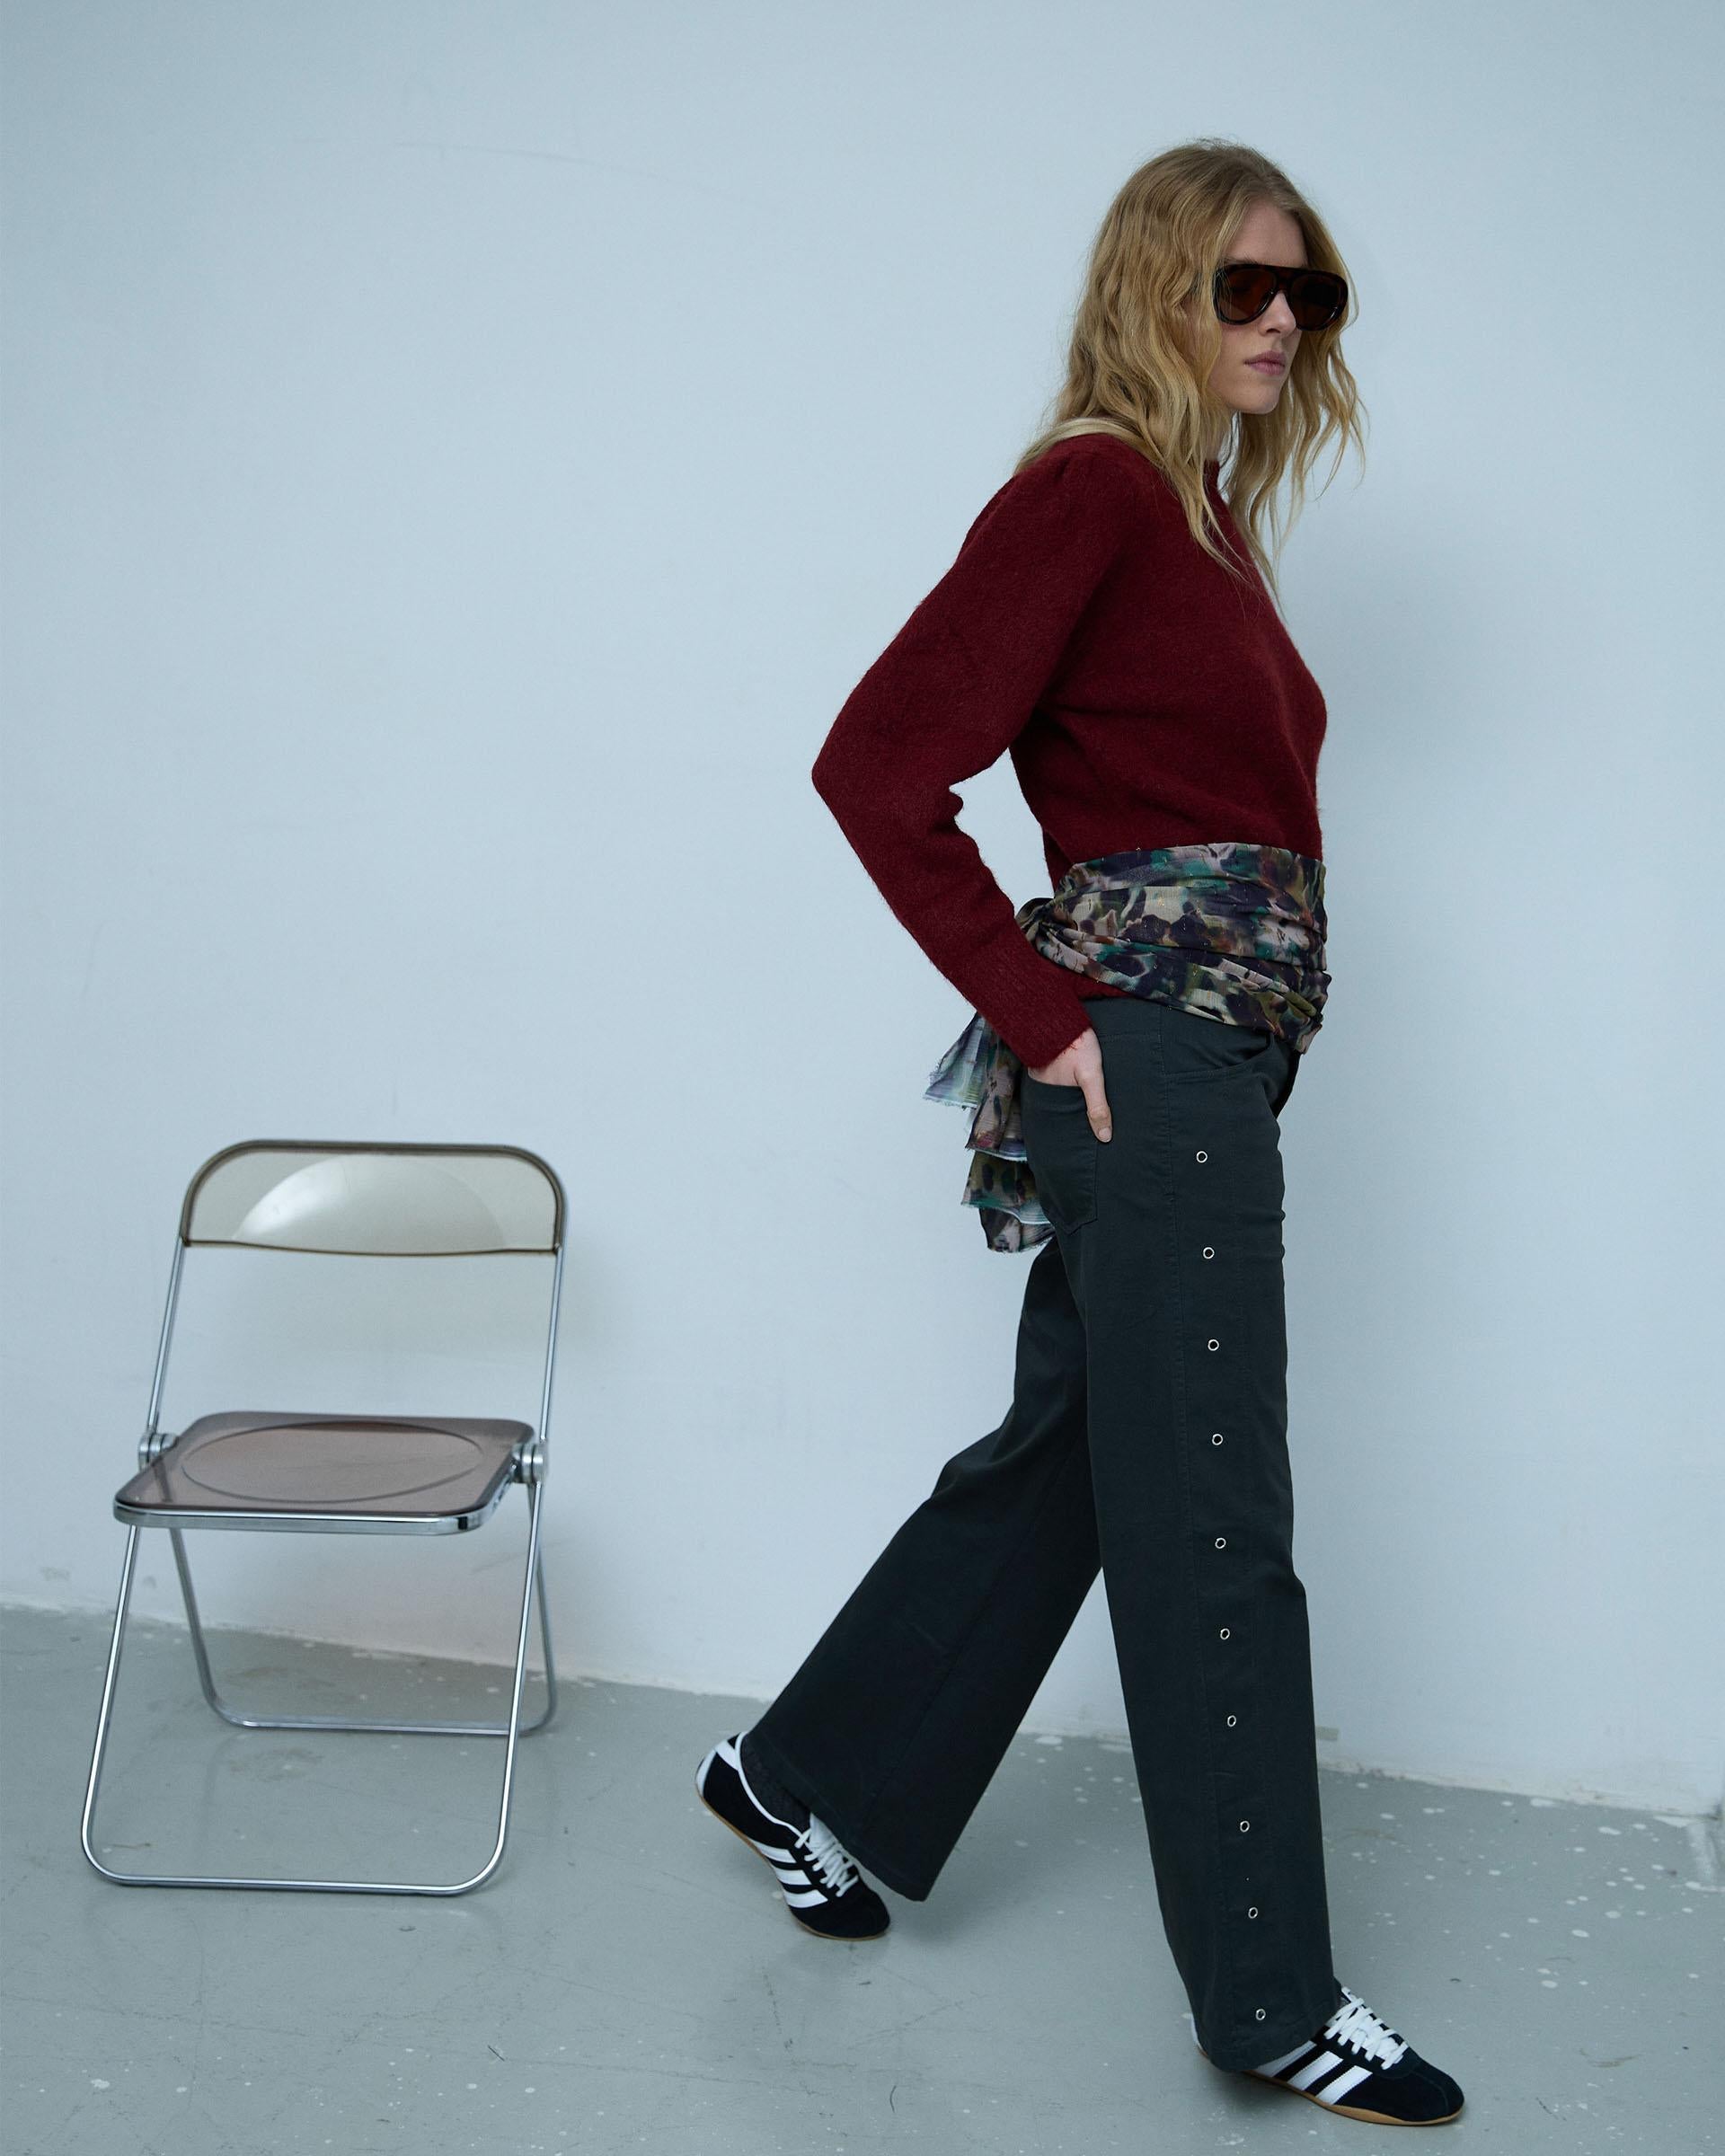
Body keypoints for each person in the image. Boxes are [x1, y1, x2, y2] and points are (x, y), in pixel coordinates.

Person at [695, 139, 1465, 2130]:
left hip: (1207, 1059)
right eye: (1242, 287)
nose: (1282, 320)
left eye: (1308, 292)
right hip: (1151, 1061)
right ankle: (1271, 2000)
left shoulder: (1202, 519)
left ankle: (807, 1773)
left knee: (1069, 1465)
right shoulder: (1096, 492)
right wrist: (1042, 1014)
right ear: (1153, 291)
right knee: (1213, 1520)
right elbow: (877, 764)